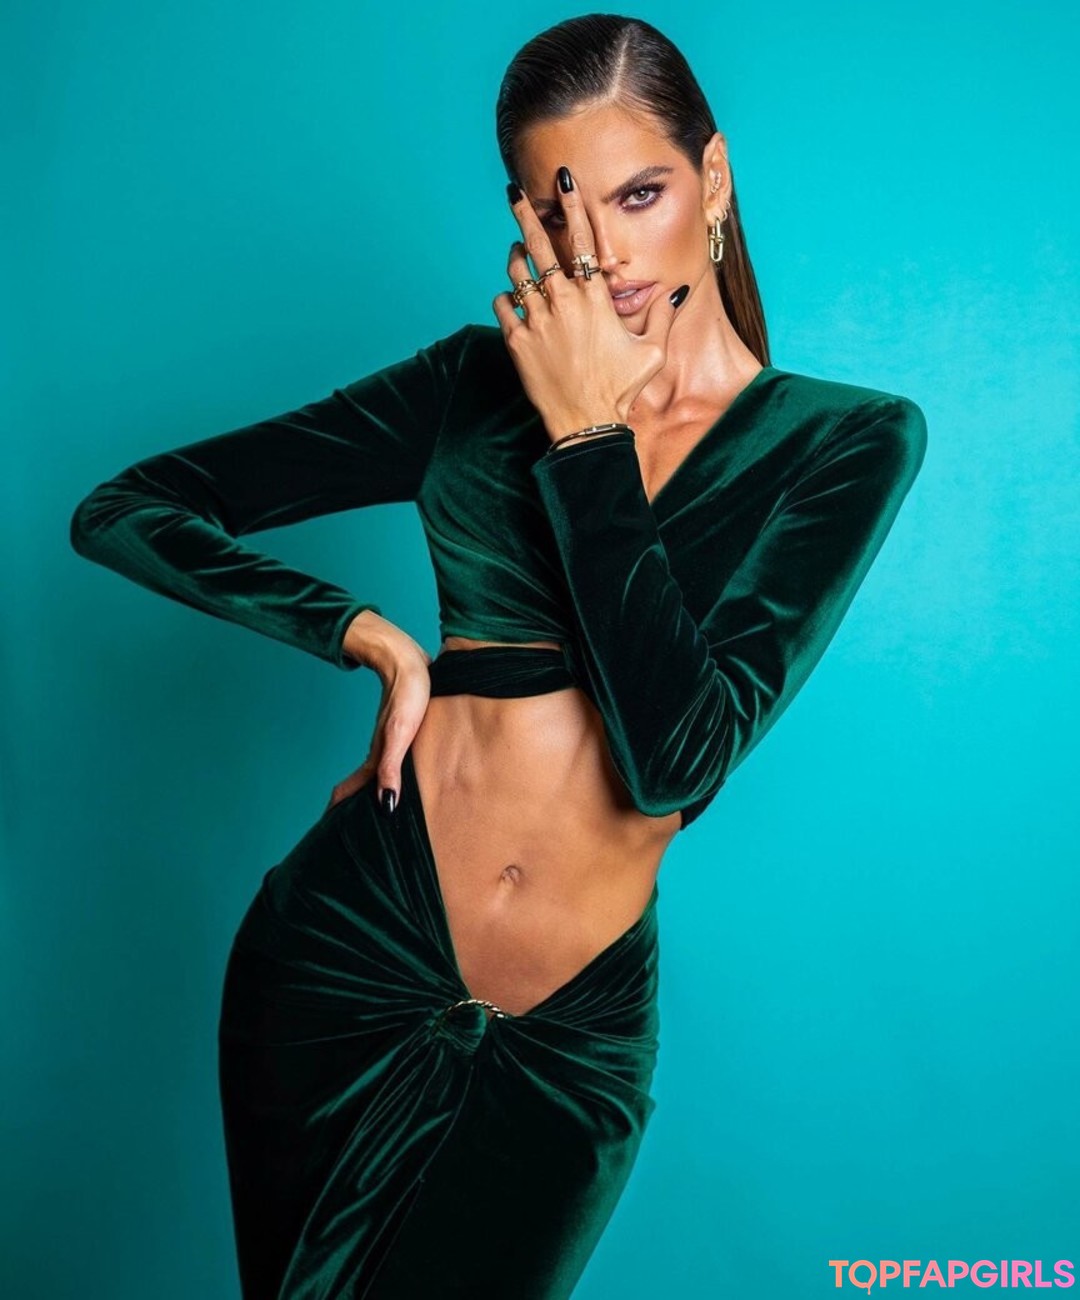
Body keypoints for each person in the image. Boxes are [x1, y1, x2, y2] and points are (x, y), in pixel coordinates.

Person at [68, 14, 928, 1299]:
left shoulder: (843, 443)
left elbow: (674, 759)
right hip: (344, 957)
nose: (603, 250)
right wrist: (363, 636)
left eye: (639, 194)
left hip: (564, 1042)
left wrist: (587, 435)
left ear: (715, 180)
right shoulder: (468, 387)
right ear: (524, 217)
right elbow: (128, 508)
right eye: (559, 208)